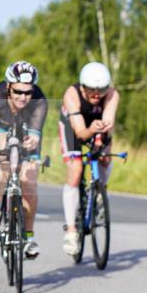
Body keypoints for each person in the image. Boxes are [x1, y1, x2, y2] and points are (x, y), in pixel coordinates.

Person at [0, 61, 47, 258]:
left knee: (29, 181)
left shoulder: (38, 99)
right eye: (18, 92)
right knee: (2, 151)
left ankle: (28, 236)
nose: (23, 97)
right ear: (8, 86)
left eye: (28, 92)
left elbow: (35, 134)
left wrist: (32, 142)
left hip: (24, 133)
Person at [58, 62, 121, 255]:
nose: (96, 95)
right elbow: (80, 133)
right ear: (83, 86)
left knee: (105, 158)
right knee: (76, 170)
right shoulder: (72, 94)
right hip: (74, 127)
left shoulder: (112, 94)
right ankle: (70, 230)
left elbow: (108, 122)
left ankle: (100, 192)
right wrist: (92, 131)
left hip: (98, 126)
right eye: (91, 90)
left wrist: (100, 140)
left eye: (100, 90)